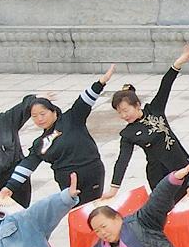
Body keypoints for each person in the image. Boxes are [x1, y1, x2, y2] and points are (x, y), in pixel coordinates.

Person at [7, 67, 112, 203]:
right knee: (74, 210)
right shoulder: (40, 143)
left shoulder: (72, 118)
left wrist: (101, 82)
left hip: (91, 172)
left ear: (54, 112)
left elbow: (84, 101)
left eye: (43, 114)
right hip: (67, 181)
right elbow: (27, 165)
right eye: (34, 116)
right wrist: (9, 187)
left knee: (92, 208)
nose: (39, 119)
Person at [108, 43, 189, 194]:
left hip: (181, 164)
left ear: (137, 105)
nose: (124, 116)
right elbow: (122, 160)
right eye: (119, 113)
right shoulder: (128, 134)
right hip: (160, 176)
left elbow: (165, 84)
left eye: (126, 110)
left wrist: (179, 62)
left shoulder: (155, 109)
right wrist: (113, 189)